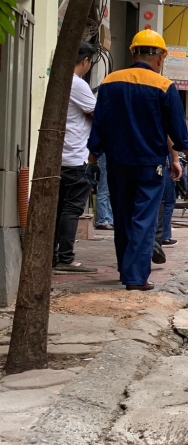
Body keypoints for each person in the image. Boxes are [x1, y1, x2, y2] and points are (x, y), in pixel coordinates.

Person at [87, 30, 188, 291]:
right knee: (143, 219)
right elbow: (177, 130)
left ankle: (126, 271)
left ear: (133, 52)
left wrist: (92, 160)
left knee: (123, 217)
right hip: (150, 164)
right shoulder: (164, 86)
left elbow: (98, 124)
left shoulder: (110, 82)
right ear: (160, 57)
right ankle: (135, 278)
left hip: (117, 162)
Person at [53, 42, 99, 274]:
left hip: (59, 156)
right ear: (85, 61)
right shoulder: (77, 83)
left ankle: (53, 256)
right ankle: (66, 257)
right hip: (76, 156)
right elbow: (98, 115)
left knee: (60, 208)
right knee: (72, 209)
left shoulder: (58, 79)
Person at [95, 152, 113, 230]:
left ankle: (108, 219)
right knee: (104, 189)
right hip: (106, 153)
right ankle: (103, 220)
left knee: (108, 190)